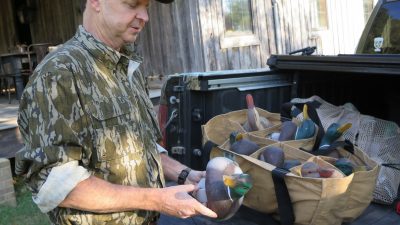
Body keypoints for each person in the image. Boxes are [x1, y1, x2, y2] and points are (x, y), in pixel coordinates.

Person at [15, 0, 217, 224]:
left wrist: (185, 174)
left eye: (146, 6)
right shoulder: (58, 74)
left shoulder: (127, 66)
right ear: (95, 2)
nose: (144, 17)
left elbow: (141, 146)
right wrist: (157, 200)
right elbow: (52, 183)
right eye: (132, 5)